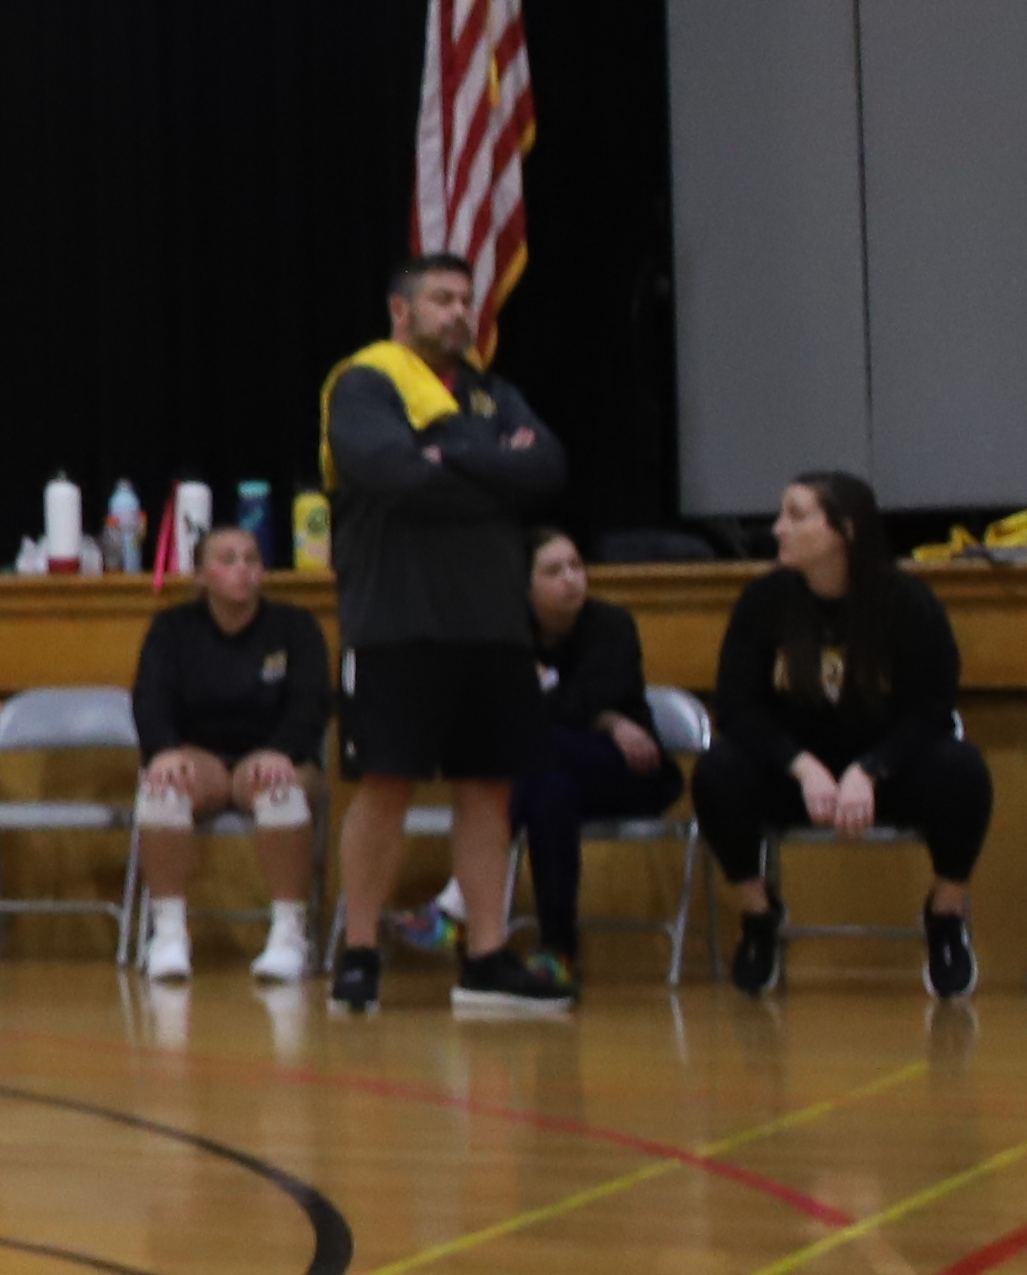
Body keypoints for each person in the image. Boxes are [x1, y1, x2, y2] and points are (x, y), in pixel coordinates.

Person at [319, 250, 571, 1018]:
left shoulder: (495, 393)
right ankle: (359, 950)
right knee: (385, 786)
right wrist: (495, 470)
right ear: (402, 311)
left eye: (467, 300)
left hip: (493, 625)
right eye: (441, 299)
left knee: (489, 790)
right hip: (397, 620)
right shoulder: (366, 381)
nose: (459, 312)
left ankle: (486, 957)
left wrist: (456, 455)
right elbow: (392, 472)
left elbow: (549, 469)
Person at [698, 470, 988, 1003]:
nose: (778, 528)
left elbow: (931, 710)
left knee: (962, 771)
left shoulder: (908, 603)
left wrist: (871, 768)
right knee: (719, 772)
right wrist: (801, 766)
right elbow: (737, 708)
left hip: (884, 771)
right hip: (797, 773)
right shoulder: (764, 601)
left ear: (845, 531)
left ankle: (945, 915)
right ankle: (759, 915)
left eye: (797, 515)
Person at [122, 522, 334, 985]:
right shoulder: (172, 628)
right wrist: (162, 752)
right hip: (203, 759)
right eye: (228, 559)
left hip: (276, 757)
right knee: (162, 788)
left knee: (281, 788)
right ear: (200, 576)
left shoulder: (295, 627)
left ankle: (288, 934)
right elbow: (150, 698)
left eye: (251, 559)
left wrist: (282, 751)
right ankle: (170, 934)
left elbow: (312, 700)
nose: (243, 570)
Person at [508, 528, 679, 974]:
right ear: (522, 586)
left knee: (538, 747)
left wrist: (587, 712)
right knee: (551, 791)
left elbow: (575, 703)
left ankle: (460, 899)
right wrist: (605, 718)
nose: (571, 579)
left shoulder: (611, 625)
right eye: (553, 570)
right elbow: (508, 710)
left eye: (576, 566)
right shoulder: (509, 635)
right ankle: (557, 948)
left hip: (630, 769)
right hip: (555, 769)